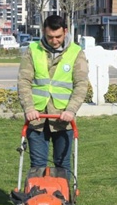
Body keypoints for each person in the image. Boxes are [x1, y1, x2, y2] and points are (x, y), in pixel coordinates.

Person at [18, 15, 89, 175]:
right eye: (50, 37)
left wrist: (71, 110)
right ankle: (37, 196)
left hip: (63, 118)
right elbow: (24, 81)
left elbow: (81, 84)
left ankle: (61, 198)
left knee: (62, 164)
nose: (54, 40)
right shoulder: (32, 50)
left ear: (65, 32)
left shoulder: (76, 53)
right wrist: (29, 108)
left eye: (58, 37)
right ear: (44, 32)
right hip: (37, 117)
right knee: (37, 165)